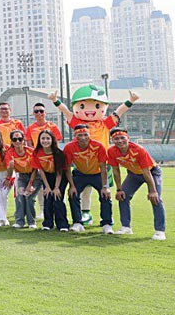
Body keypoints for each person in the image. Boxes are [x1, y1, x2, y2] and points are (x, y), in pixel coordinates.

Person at [49, 86, 139, 224]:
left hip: (101, 164)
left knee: (104, 191)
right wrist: (55, 101)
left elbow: (118, 112)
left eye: (97, 105)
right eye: (83, 105)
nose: (90, 110)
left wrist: (131, 100)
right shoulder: (78, 124)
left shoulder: (105, 123)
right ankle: (86, 213)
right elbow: (66, 112)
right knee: (84, 191)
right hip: (82, 163)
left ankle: (107, 217)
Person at [108, 128, 166, 240]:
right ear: (112, 140)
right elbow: (116, 170)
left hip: (152, 172)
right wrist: (119, 189)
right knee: (123, 196)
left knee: (156, 198)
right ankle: (126, 227)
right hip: (134, 174)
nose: (120, 141)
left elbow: (146, 171)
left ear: (128, 138)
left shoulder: (139, 149)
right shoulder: (111, 151)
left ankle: (160, 231)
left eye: (122, 138)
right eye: (116, 139)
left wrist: (152, 191)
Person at [62, 125, 113, 233]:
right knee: (73, 194)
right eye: (80, 135)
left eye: (86, 134)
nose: (83, 137)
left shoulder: (98, 146)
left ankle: (107, 223)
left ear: (90, 135)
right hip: (80, 174)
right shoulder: (69, 147)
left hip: (97, 174)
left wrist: (105, 186)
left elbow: (103, 167)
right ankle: (77, 222)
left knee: (105, 195)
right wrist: (72, 185)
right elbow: (67, 167)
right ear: (75, 136)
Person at [29, 129, 70, 231]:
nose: (45, 141)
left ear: (52, 140)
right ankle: (47, 223)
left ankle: (63, 224)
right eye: (43, 138)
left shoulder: (58, 153)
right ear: (39, 140)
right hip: (47, 177)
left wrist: (56, 188)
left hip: (59, 177)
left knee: (57, 198)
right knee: (47, 197)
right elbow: (41, 170)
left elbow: (59, 172)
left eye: (48, 138)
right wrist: (47, 186)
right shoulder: (37, 152)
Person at [6, 129, 38, 229]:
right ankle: (19, 221)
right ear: (11, 141)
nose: (18, 142)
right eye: (15, 139)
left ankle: (31, 222)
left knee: (29, 196)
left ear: (24, 140)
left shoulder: (31, 151)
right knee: (20, 196)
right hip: (21, 176)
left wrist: (30, 184)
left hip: (35, 176)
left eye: (20, 139)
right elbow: (10, 171)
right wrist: (10, 167)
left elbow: (35, 169)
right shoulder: (9, 153)